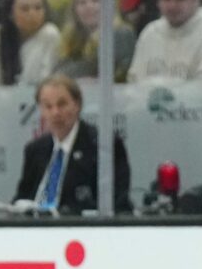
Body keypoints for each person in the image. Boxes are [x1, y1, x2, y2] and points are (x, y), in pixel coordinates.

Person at [13, 74, 131, 214]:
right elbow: (22, 197)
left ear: (77, 105)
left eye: (62, 104)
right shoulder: (35, 149)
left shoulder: (103, 146)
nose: (55, 112)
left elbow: (117, 203)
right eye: (48, 106)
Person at [0, 0, 61, 87]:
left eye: (38, 8)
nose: (32, 14)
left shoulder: (50, 35)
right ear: (11, 13)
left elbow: (50, 81)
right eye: (25, 9)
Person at [127, 0, 202, 82]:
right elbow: (134, 82)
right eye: (167, 0)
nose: (172, 6)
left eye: (180, 0)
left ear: (197, 1)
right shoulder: (150, 33)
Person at [55, 0, 136, 81]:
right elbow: (57, 73)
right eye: (82, 2)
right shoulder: (71, 39)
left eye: (95, 1)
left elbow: (123, 75)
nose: (89, 7)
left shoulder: (121, 34)